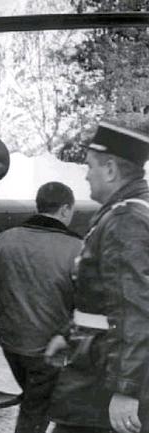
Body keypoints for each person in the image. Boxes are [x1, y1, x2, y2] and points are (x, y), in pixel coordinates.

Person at [46, 121, 149, 433]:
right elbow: (103, 297)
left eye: (89, 166)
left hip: (102, 376)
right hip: (100, 362)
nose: (86, 174)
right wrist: (69, 333)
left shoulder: (125, 220)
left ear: (110, 169)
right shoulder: (133, 211)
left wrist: (125, 389)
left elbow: (135, 309)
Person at [0, 182, 82, 433]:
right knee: (37, 412)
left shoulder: (2, 240)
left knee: (36, 402)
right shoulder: (76, 248)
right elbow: (86, 302)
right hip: (49, 347)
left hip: (11, 343)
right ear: (65, 209)